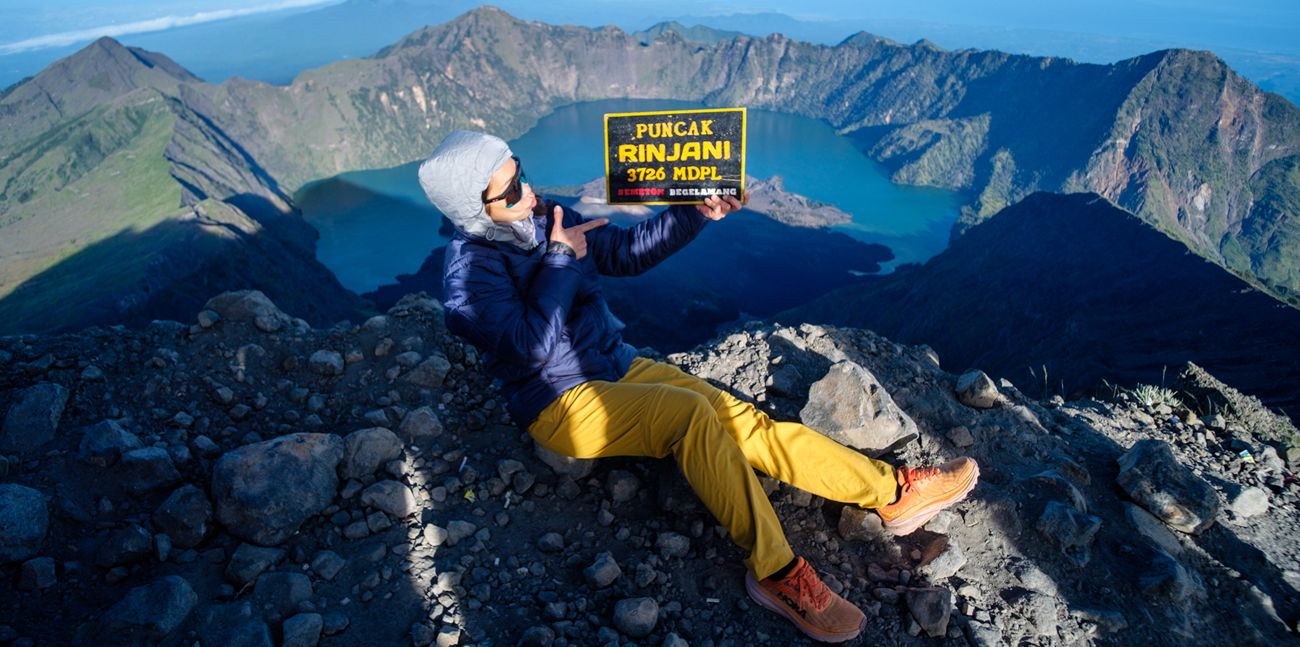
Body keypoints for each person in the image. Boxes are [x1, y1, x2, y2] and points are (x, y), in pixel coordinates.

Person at [419, 130, 979, 643]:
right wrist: (563, 259)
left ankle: (892, 493)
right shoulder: (469, 278)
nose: (530, 189)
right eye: (511, 187)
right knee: (690, 415)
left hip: (613, 363)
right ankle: (778, 572)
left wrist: (692, 213)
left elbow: (622, 254)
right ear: (476, 208)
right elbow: (531, 345)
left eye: (522, 172)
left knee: (741, 419)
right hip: (560, 404)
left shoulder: (542, 217)